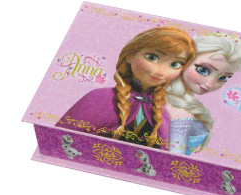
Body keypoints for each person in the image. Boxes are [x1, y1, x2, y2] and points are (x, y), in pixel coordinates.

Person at [59, 27, 196, 149]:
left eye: (175, 64)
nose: (161, 71)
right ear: (130, 55)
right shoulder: (99, 98)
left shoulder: (162, 115)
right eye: (152, 57)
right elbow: (58, 139)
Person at [164, 36, 241, 154]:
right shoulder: (181, 114)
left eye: (223, 78)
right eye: (203, 70)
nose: (210, 84)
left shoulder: (172, 101)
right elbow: (173, 159)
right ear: (185, 60)